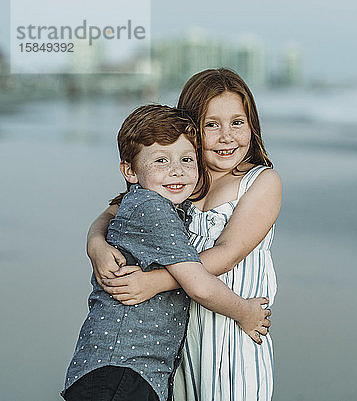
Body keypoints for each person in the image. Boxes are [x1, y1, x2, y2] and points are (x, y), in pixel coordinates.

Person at [88, 68, 282, 401]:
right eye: (211, 125)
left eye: (238, 122)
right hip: (176, 334)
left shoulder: (261, 182)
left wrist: (154, 282)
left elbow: (228, 252)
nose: (226, 136)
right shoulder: (181, 179)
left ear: (252, 125)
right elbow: (114, 211)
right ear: (191, 129)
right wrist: (95, 245)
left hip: (235, 324)